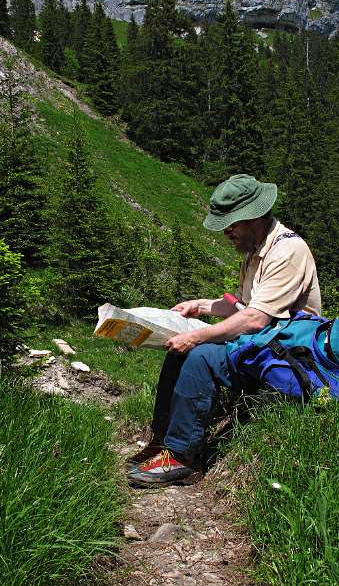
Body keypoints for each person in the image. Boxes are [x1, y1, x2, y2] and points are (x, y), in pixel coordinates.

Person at [127, 174, 322, 487]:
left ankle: (184, 458)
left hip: (286, 354)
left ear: (254, 217)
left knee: (200, 355)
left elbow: (255, 319)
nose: (227, 233)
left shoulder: (288, 252)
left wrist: (196, 335)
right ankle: (164, 440)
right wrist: (201, 306)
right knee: (183, 353)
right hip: (264, 345)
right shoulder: (257, 251)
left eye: (232, 225)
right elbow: (242, 306)